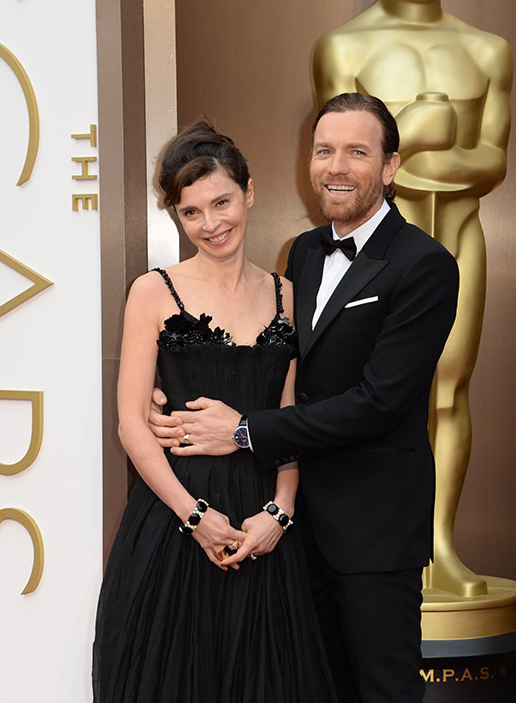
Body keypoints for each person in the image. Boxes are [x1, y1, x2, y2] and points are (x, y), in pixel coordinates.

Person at [149, 93, 459, 703]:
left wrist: (243, 431)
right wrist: (177, 397)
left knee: (384, 691)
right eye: (323, 151)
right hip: (289, 525)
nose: (335, 167)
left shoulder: (425, 264)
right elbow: (281, 370)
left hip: (373, 529)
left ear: (390, 166)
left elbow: (378, 403)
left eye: (356, 152)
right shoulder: (306, 252)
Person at [92, 120, 335, 702]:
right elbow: (132, 422)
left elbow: (289, 414)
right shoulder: (152, 291)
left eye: (221, 202)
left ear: (248, 193)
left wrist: (282, 509)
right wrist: (193, 515)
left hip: (261, 524)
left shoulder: (288, 294)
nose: (210, 223)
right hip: (174, 519)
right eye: (191, 212)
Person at [312, 0, 514, 599]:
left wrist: (413, 146)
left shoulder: (487, 51)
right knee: (366, 395)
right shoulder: (344, 48)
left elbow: (493, 160)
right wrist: (430, 134)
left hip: (457, 237)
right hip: (369, 251)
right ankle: (369, 542)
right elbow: (340, 165)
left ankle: (440, 548)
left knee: (449, 391)